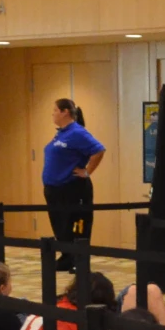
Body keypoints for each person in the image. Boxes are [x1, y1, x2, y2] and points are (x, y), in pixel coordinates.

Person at [41, 97, 105, 272]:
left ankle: (79, 260)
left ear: (65, 112)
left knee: (76, 224)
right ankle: (67, 257)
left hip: (72, 188)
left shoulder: (77, 132)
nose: (52, 114)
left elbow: (99, 149)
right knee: (61, 225)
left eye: (55, 110)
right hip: (55, 189)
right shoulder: (61, 133)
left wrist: (87, 171)